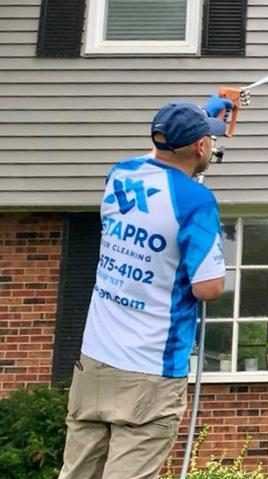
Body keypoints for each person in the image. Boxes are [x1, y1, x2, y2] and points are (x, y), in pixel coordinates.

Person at [58, 97, 232, 479]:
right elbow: (209, 287)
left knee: (77, 472)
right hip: (150, 369)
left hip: (94, 362)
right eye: (209, 140)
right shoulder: (196, 202)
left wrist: (203, 120)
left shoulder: (120, 174)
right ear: (202, 147)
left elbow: (163, 164)